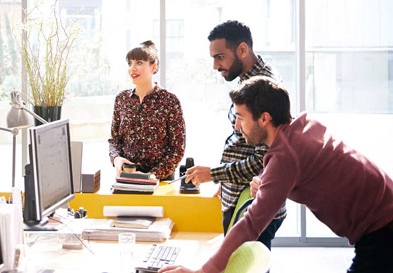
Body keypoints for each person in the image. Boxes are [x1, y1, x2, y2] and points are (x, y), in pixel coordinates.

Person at [159, 76, 393, 273]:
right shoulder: (303, 124)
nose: (237, 127)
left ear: (264, 118)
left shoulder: (284, 157)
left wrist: (203, 271)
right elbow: (311, 170)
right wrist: (269, 181)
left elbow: (251, 224)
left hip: (382, 227)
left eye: (241, 117)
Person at [185, 20, 286, 249]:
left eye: (220, 57)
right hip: (238, 194)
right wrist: (225, 183)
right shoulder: (249, 77)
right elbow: (242, 142)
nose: (215, 66)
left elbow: (262, 161)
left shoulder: (263, 87)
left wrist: (214, 174)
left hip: (253, 201)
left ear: (242, 50)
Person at [108, 40, 186, 180]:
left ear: (153, 67)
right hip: (127, 176)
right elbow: (114, 140)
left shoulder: (170, 101)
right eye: (130, 63)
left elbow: (177, 149)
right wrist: (116, 159)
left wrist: (151, 176)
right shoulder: (122, 99)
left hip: (160, 179)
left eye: (139, 62)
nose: (133, 68)